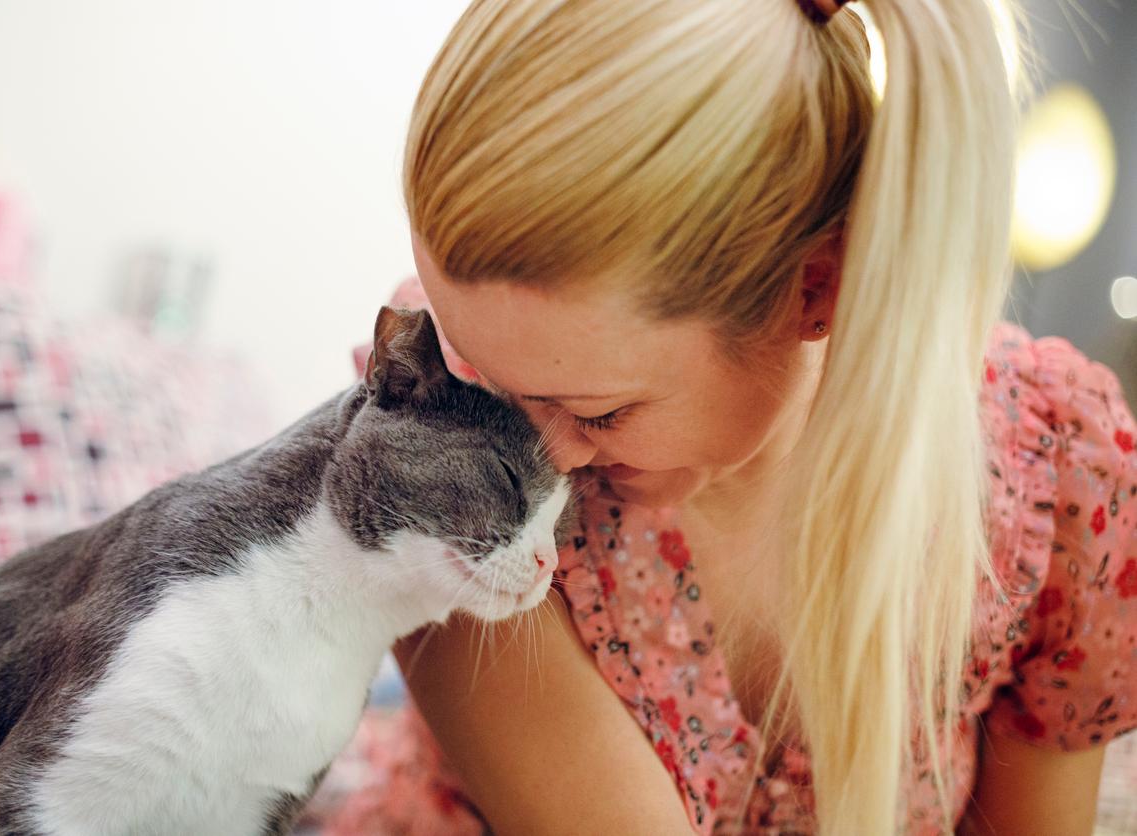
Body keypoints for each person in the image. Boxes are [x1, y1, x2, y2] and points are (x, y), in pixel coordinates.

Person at [326, 0, 1137, 833]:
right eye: (483, 368)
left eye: (599, 412)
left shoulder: (1061, 486)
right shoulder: (438, 450)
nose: (538, 453)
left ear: (817, 290)